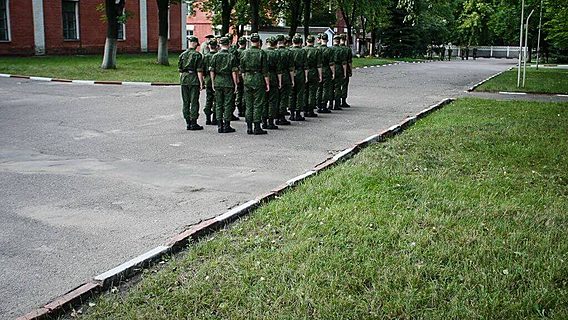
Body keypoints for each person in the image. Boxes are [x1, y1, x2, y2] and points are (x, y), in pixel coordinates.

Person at [240, 33, 270, 135]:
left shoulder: (244, 53)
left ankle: (249, 127)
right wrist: (267, 83)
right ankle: (257, 127)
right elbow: (265, 71)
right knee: (258, 103)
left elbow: (242, 69)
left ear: (250, 41)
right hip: (258, 79)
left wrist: (245, 80)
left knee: (248, 104)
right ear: (258, 41)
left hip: (248, 78)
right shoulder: (262, 53)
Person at [210, 37, 239, 133]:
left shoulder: (215, 56)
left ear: (220, 45)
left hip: (218, 80)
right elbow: (234, 72)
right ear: (229, 44)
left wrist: (213, 82)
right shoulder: (231, 56)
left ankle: (219, 125)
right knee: (227, 104)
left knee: (218, 103)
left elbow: (212, 71)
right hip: (228, 81)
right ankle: (227, 125)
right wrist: (235, 84)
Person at [178, 36, 205, 130]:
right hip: (193, 79)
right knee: (194, 101)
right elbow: (199, 71)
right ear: (195, 44)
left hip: (184, 79)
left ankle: (187, 122)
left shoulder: (182, 55)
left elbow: (180, 71)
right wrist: (201, 83)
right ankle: (193, 122)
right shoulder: (197, 55)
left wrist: (181, 81)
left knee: (185, 101)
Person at [263, 36, 283, 129]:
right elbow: (279, 69)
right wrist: (279, 81)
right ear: (275, 43)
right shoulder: (277, 54)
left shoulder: (262, 52)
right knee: (272, 101)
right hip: (273, 77)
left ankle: (263, 121)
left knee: (264, 100)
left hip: (263, 77)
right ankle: (270, 121)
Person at [303, 34, 322, 117]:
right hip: (313, 71)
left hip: (304, 72)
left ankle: (304, 108)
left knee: (304, 91)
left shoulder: (303, 50)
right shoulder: (317, 51)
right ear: (313, 41)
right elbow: (319, 65)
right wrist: (320, 75)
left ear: (306, 41)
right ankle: (310, 110)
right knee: (312, 92)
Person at [276, 35, 293, 125]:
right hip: (285, 76)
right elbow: (291, 68)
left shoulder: (274, 52)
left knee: (275, 98)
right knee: (283, 97)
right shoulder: (288, 52)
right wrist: (292, 79)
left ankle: (274, 115)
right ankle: (281, 116)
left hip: (274, 77)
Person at [289, 34, 307, 121]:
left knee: (291, 93)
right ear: (300, 42)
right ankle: (298, 113)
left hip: (291, 72)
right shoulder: (303, 51)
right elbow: (306, 66)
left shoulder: (289, 51)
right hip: (300, 72)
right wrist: (306, 77)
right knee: (299, 93)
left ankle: (291, 113)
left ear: (292, 42)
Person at [318, 33, 335, 113]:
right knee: (325, 88)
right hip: (326, 70)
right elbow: (331, 64)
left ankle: (318, 105)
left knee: (319, 88)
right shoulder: (329, 50)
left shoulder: (317, 49)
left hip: (317, 70)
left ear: (321, 39)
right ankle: (324, 105)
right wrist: (333, 73)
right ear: (327, 40)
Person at [203, 39, 218, 125]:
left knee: (209, 98)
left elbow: (203, 70)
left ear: (209, 46)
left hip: (208, 79)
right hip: (217, 78)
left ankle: (207, 118)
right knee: (216, 99)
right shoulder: (217, 56)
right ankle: (215, 118)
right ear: (216, 46)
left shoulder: (205, 56)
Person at [331, 34, 347, 110]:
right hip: (339, 68)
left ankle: (330, 104)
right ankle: (337, 104)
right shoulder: (341, 50)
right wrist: (344, 72)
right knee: (337, 87)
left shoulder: (330, 49)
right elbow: (344, 63)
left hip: (330, 68)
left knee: (331, 87)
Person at [235, 37, 247, 118]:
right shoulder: (246, 52)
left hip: (237, 73)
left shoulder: (236, 52)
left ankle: (239, 109)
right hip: (245, 73)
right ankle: (243, 109)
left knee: (239, 92)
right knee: (245, 92)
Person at [340, 34, 352, 108]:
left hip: (336, 68)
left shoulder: (334, 48)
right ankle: (343, 101)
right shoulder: (347, 49)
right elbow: (349, 62)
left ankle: (334, 101)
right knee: (344, 85)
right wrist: (350, 70)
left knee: (336, 85)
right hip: (345, 68)